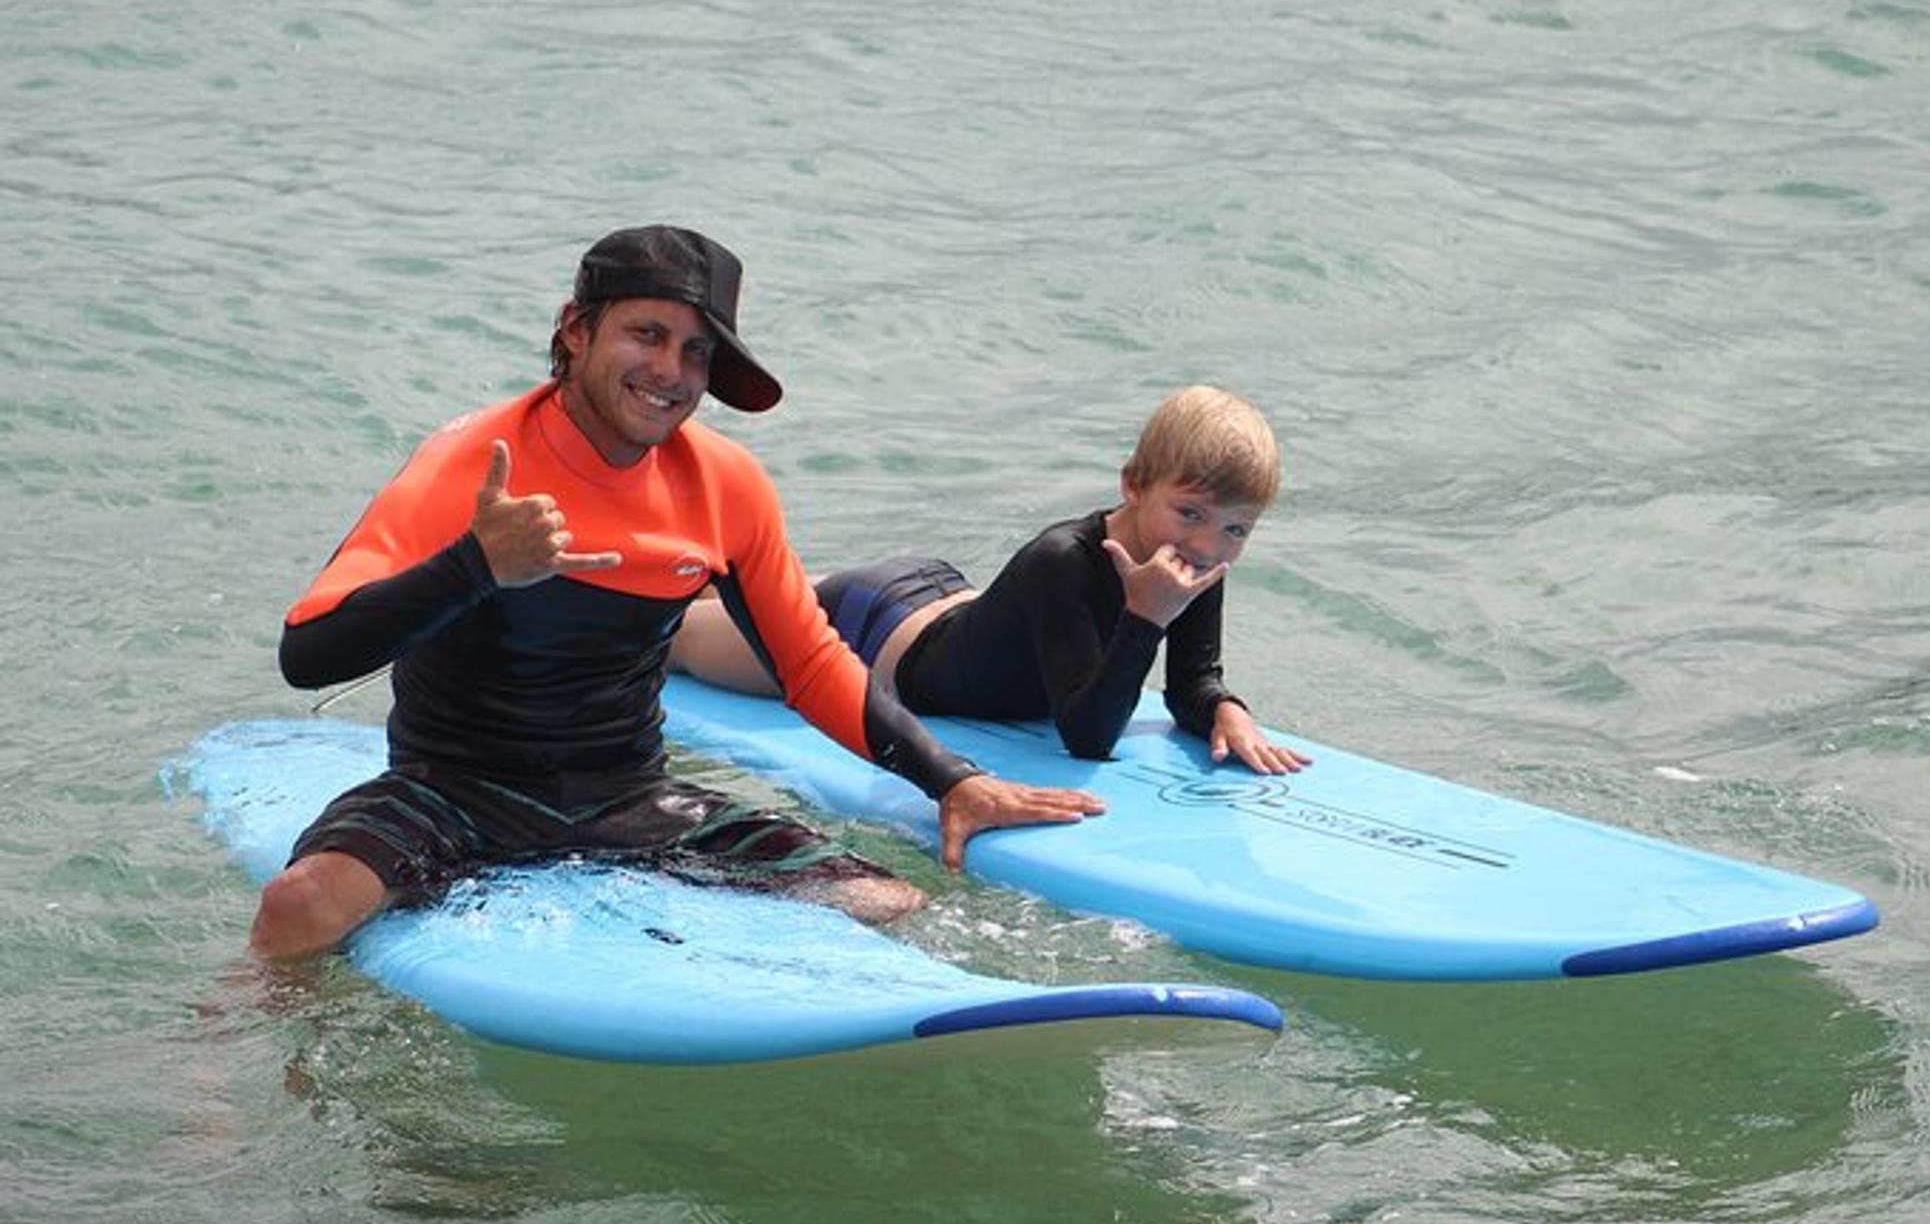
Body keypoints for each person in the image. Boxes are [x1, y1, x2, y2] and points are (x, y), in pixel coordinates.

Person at [251, 225, 1104, 961]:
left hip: (626, 797)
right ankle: (219, 1073)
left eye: (696, 351)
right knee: (302, 902)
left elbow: (808, 661)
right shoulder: (472, 462)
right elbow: (309, 652)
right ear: (575, 332)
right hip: (450, 789)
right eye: (647, 334)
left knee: (886, 903)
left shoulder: (724, 485)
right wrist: (475, 565)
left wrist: (950, 780)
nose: (672, 370)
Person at [671, 385, 1312, 774]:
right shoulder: (1062, 559)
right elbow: (1086, 737)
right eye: (1190, 513)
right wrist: (1145, 618)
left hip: (930, 594)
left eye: (1236, 529)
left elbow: (1191, 682)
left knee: (726, 593)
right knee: (669, 636)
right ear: (1134, 484)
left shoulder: (1193, 562)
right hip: (867, 635)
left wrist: (1223, 709)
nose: (1207, 544)